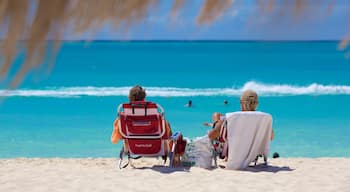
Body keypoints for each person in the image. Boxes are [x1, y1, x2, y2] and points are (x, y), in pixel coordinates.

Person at [208, 89, 274, 141]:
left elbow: (211, 136)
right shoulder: (264, 119)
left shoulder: (232, 118)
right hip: (254, 156)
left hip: (233, 156)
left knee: (216, 116)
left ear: (241, 103)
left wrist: (217, 124)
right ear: (257, 104)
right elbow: (271, 137)